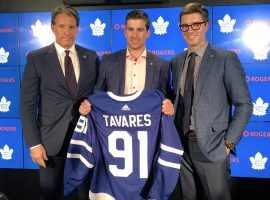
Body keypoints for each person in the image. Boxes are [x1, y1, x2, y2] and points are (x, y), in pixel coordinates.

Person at [169, 3, 253, 200]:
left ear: (206, 25)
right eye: (185, 26)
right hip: (181, 147)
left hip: (212, 148)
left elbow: (245, 104)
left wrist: (228, 143)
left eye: (195, 25)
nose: (190, 30)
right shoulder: (176, 61)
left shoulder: (225, 59)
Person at [20, 5, 99, 200]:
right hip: (50, 144)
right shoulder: (36, 59)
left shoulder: (91, 57)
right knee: (50, 196)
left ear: (77, 29)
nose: (67, 32)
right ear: (53, 28)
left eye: (71, 27)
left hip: (85, 142)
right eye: (62, 26)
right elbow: (27, 104)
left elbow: (98, 95)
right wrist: (34, 144)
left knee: (85, 195)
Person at [79, 9, 174, 116]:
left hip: (148, 130)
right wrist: (87, 105)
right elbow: (98, 96)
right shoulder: (108, 62)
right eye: (130, 29)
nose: (134, 35)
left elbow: (167, 100)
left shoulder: (162, 66)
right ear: (125, 32)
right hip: (114, 127)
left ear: (148, 33)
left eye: (140, 30)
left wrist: (170, 106)